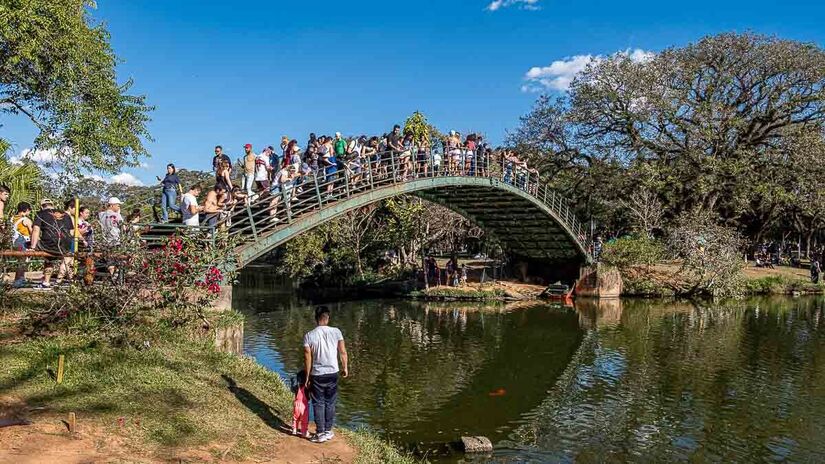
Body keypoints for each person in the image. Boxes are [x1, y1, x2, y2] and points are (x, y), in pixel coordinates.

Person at [303, 306, 348, 444]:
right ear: (327, 318)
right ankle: (328, 431)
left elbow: (307, 358)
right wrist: (345, 367)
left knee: (318, 402)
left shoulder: (309, 336)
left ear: (316, 318)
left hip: (317, 374)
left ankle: (320, 432)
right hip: (333, 372)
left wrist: (307, 377)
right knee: (330, 402)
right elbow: (342, 352)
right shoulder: (337, 332)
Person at [30, 198, 73, 288]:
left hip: (49, 243)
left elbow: (36, 230)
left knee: (48, 258)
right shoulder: (66, 214)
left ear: (41, 206)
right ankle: (62, 281)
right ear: (52, 205)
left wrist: (32, 247)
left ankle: (46, 282)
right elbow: (72, 232)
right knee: (66, 257)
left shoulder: (40, 214)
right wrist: (71, 247)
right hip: (65, 244)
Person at [98, 197, 124, 280]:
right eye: (118, 205)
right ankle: (115, 278)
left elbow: (101, 213)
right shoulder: (117, 215)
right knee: (117, 260)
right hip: (115, 240)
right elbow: (123, 226)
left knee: (110, 260)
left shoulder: (101, 214)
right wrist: (118, 214)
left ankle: (112, 277)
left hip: (105, 240)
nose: (119, 207)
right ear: (112, 205)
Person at [11, 202, 33, 288]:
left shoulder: (12, 218)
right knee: (22, 262)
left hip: (15, 242)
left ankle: (21, 278)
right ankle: (18, 281)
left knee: (21, 261)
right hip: (23, 242)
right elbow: (33, 232)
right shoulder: (26, 220)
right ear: (26, 210)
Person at [291, 369, 310, 438]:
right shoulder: (307, 388)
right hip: (304, 406)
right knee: (304, 420)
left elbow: (292, 388)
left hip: (296, 404)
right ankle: (304, 432)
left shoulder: (296, 387)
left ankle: (294, 430)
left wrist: (293, 380)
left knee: (295, 418)